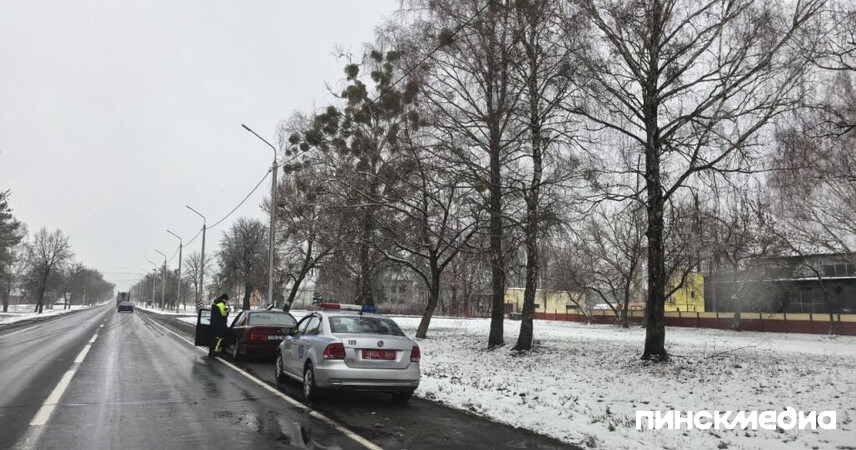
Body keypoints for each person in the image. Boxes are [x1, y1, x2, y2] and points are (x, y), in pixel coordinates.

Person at [208, 294, 230, 358]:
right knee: (218, 338)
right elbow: (223, 314)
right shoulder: (221, 304)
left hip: (214, 323)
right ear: (224, 299)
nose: (226, 301)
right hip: (220, 324)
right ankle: (214, 351)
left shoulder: (216, 303)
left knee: (215, 337)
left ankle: (213, 351)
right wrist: (227, 312)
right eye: (226, 300)